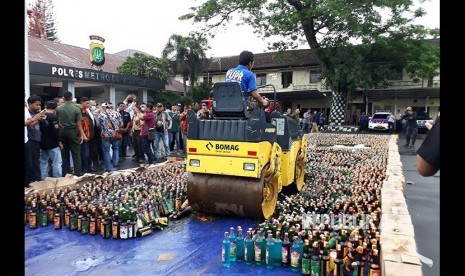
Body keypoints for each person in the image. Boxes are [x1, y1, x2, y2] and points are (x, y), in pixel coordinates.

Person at [39, 101, 62, 179]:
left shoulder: (41, 116)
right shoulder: (53, 117)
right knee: (57, 162)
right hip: (53, 144)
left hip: (42, 143)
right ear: (55, 108)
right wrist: (59, 142)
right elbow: (55, 131)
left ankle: (43, 179)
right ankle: (57, 178)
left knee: (43, 162)